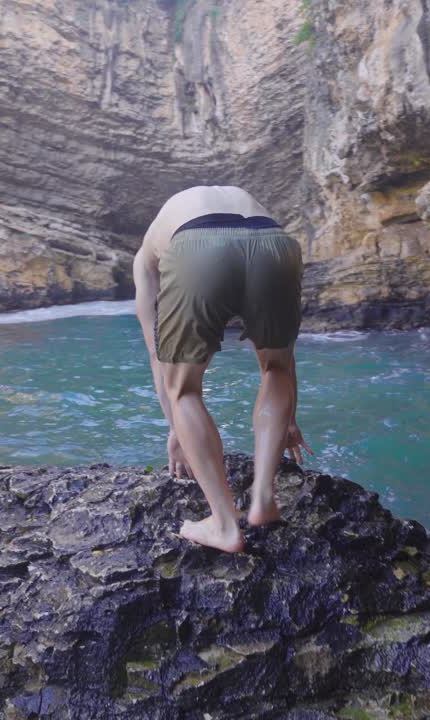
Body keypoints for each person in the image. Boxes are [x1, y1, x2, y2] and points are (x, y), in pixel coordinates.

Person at [133, 185, 312, 553]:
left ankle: (225, 525)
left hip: (198, 243)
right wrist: (288, 421)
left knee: (185, 390)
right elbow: (285, 363)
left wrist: (177, 428)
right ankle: (263, 498)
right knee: (275, 368)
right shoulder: (229, 197)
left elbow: (159, 355)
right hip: (273, 242)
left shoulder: (146, 255)